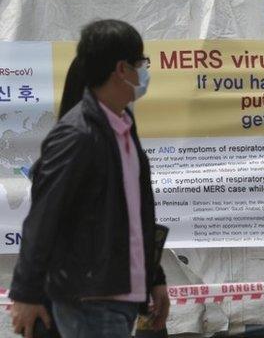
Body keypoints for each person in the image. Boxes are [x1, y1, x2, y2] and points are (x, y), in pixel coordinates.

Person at [9, 19, 169, 338]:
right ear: (121, 69)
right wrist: (26, 293)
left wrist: (154, 277)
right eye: (141, 63)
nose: (145, 72)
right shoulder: (78, 135)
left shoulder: (122, 128)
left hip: (119, 297)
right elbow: (43, 218)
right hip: (90, 300)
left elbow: (132, 218)